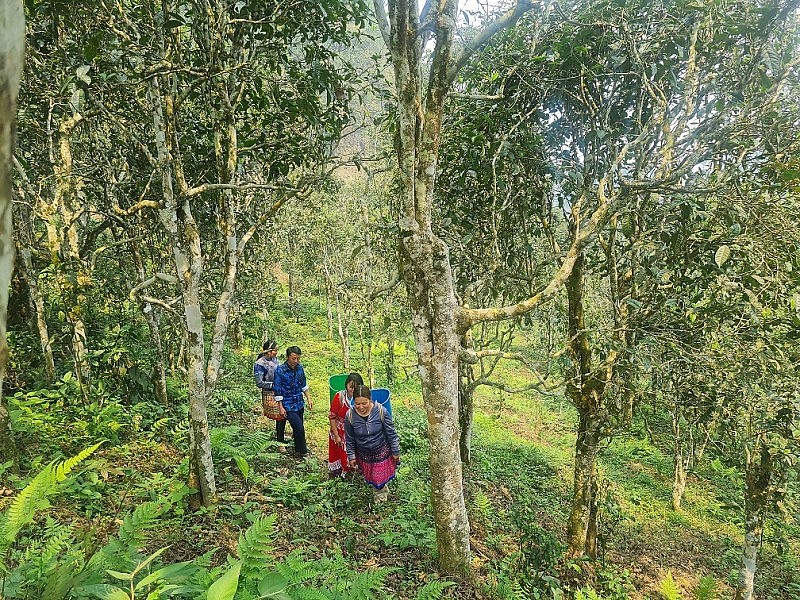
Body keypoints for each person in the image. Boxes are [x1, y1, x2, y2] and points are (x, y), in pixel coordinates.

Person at [345, 385, 400, 501]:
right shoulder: (350, 416)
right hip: (363, 453)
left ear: (370, 399)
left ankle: (380, 496)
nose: (360, 407)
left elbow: (391, 433)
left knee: (377, 477)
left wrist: (395, 450)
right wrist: (351, 456)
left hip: (380, 450)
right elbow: (349, 438)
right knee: (371, 476)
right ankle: (381, 489)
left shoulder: (380, 411)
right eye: (357, 403)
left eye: (364, 403)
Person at [273, 345, 313, 457]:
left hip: (299, 402)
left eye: (298, 358)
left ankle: (298, 450)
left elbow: (303, 385)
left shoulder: (300, 368)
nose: (296, 361)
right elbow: (278, 389)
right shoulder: (280, 370)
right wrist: (280, 406)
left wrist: (309, 398)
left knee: (299, 427)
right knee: (299, 427)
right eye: (293, 358)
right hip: (287, 404)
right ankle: (303, 451)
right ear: (287, 357)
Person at [253, 340, 291, 443]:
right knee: (280, 416)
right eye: (275, 350)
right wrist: (273, 385)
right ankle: (280, 442)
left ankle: (280, 437)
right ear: (269, 351)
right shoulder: (260, 364)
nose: (276, 352)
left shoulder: (274, 359)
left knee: (283, 415)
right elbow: (259, 382)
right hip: (270, 393)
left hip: (280, 390)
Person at [328, 372, 364, 478]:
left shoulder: (362, 398)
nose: (353, 390)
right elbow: (332, 417)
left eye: (356, 387)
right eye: (351, 387)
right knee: (341, 451)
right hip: (339, 429)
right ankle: (340, 472)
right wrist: (336, 435)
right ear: (347, 385)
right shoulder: (340, 397)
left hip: (355, 430)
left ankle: (355, 470)